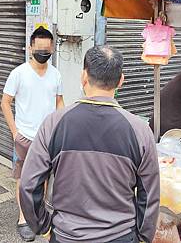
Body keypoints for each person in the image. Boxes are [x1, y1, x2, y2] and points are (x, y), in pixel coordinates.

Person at [20, 46, 160, 243]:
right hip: (121, 237)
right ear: (121, 80)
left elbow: (29, 184)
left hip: (66, 236)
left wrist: (42, 226)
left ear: (83, 77)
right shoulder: (140, 131)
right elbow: (150, 194)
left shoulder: (54, 124)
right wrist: (143, 237)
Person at [1, 26, 64, 242]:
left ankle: (39, 213)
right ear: (30, 48)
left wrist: (60, 125)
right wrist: (15, 132)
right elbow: (5, 103)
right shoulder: (18, 73)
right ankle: (23, 217)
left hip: (47, 138)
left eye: (47, 49)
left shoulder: (55, 74)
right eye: (39, 49)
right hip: (25, 137)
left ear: (52, 48)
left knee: (44, 178)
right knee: (22, 179)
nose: (43, 53)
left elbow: (59, 102)